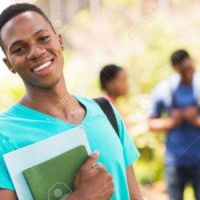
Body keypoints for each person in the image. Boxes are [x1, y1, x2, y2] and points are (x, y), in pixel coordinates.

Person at [0, 3, 142, 200]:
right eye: (20, 49)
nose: (36, 52)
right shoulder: (4, 136)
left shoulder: (106, 112)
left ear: (60, 40)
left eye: (43, 38)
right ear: (9, 64)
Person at [149, 49, 200, 200]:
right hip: (174, 160)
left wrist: (194, 120)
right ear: (175, 68)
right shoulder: (164, 89)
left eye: (189, 68)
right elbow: (151, 124)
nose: (187, 73)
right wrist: (172, 122)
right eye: (182, 70)